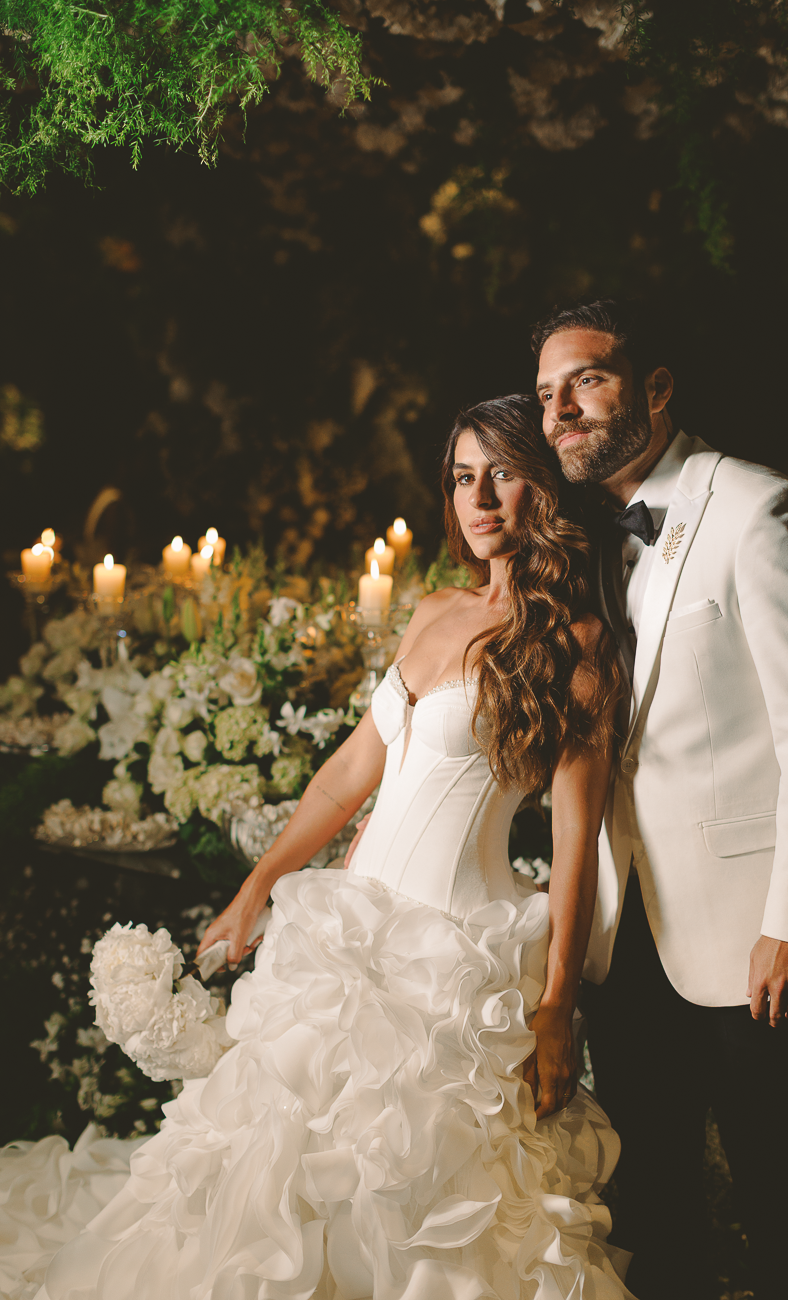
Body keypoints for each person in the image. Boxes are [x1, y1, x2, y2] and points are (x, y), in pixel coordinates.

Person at [25, 395, 637, 1300]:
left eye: (504, 474)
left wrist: (554, 1009)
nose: (481, 498)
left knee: (419, 1194)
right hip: (345, 933)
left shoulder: (577, 646)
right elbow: (347, 777)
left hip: (450, 962)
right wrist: (259, 885)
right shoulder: (432, 610)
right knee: (271, 1163)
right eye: (464, 477)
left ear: (542, 489)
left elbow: (577, 842)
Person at [532, 298, 788, 1300]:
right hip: (629, 932)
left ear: (657, 389)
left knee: (784, 1205)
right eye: (548, 396)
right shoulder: (584, 542)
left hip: (755, 939)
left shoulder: (763, 510)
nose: (563, 411)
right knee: (654, 1208)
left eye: (586, 379)